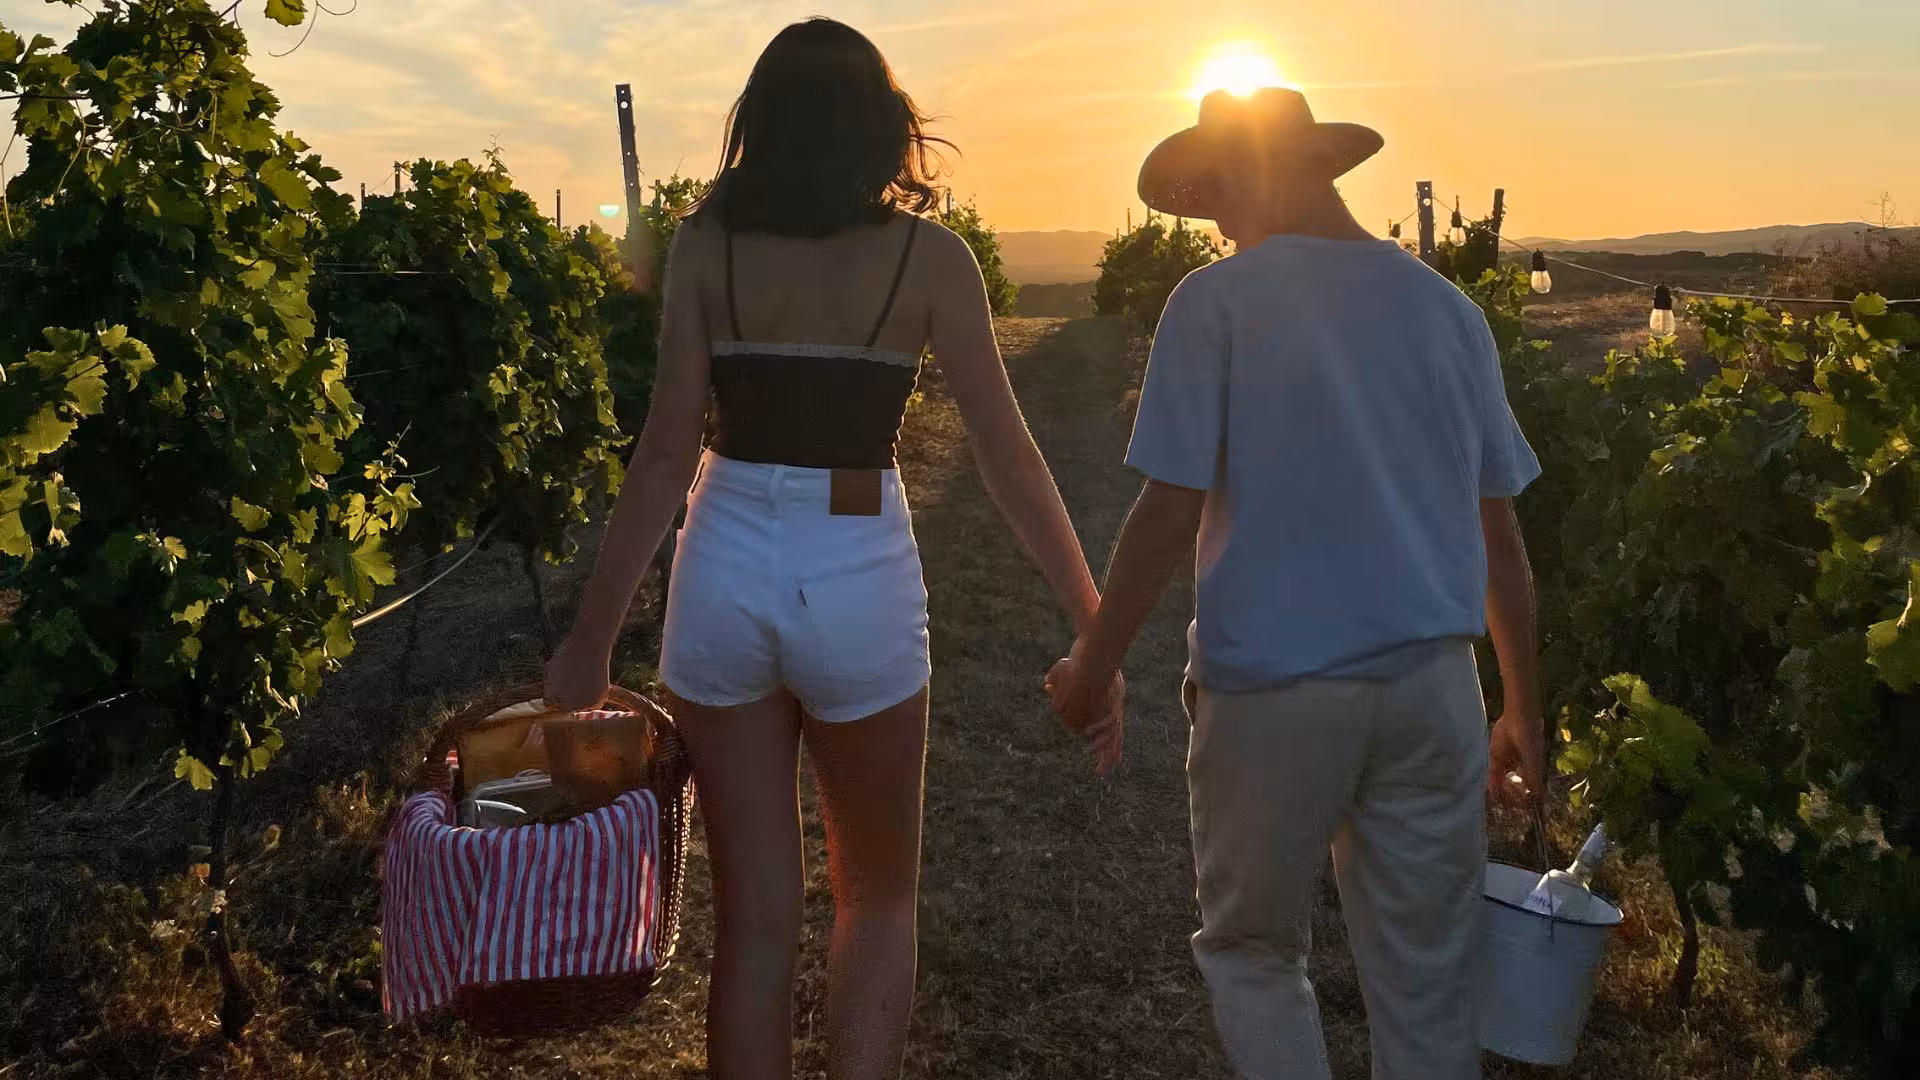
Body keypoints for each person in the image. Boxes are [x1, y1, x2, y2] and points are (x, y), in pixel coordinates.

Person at [544, 18, 1120, 1080]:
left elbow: (668, 449)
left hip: (722, 567)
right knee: (880, 902)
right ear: (880, 127)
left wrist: (589, 643)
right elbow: (1008, 455)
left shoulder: (704, 247)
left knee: (756, 926)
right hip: (858, 569)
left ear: (758, 126)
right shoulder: (931, 259)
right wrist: (1094, 619)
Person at [1047, 86, 1545, 1080]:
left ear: (1260, 174)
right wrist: (1524, 704)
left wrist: (1092, 667)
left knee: (1252, 953)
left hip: (1273, 695)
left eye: (1216, 194)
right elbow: (1499, 534)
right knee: (1429, 980)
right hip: (1430, 693)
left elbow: (1165, 515)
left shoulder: (1218, 304)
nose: (1217, 222)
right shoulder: (1447, 313)